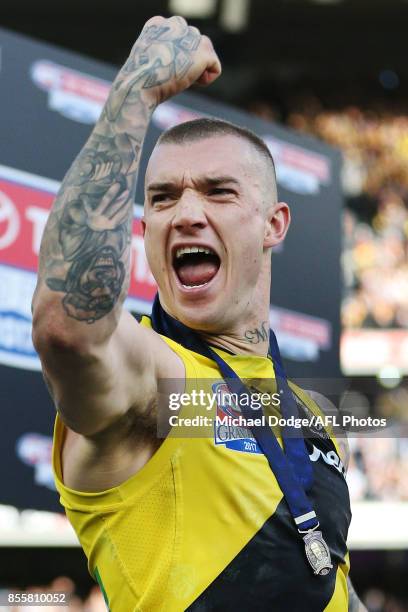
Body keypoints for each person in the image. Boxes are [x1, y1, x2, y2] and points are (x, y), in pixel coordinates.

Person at [32, 15, 365, 612]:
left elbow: (329, 581)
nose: (185, 213)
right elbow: (69, 327)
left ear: (274, 224)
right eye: (162, 198)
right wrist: (136, 91)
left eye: (218, 190)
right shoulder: (153, 381)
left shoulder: (311, 413)